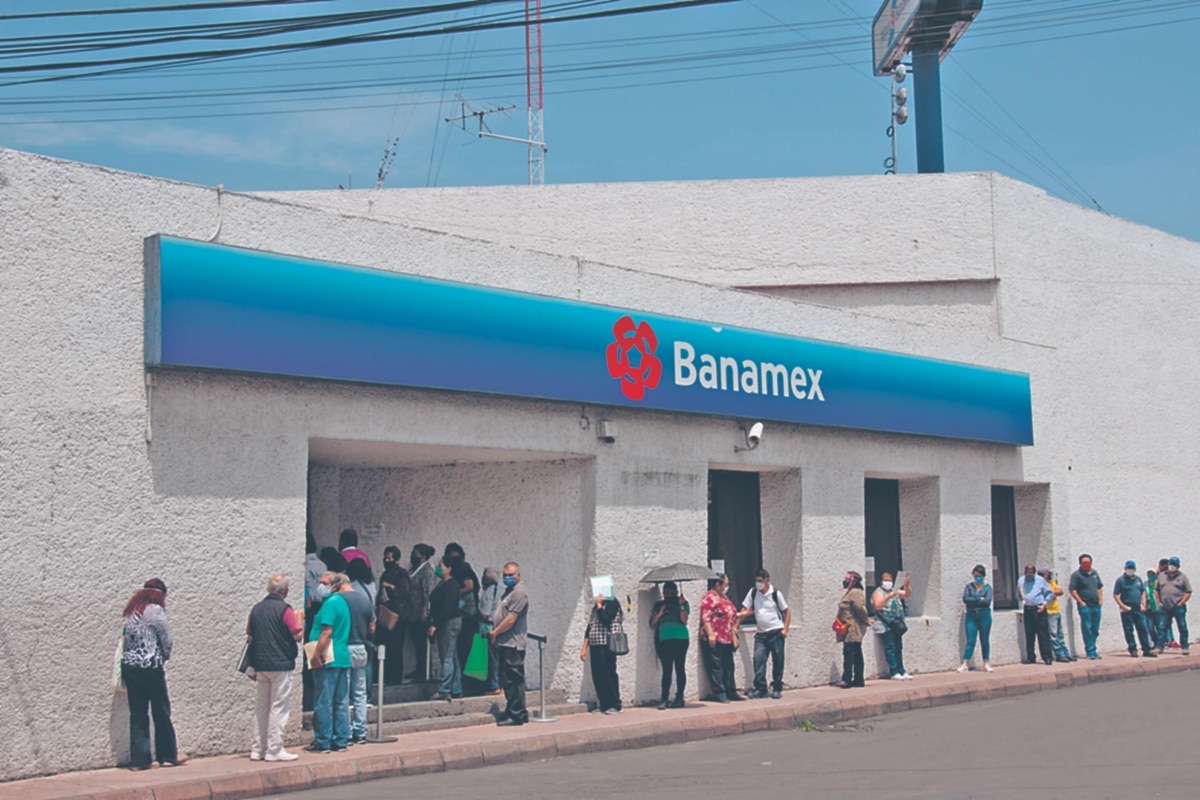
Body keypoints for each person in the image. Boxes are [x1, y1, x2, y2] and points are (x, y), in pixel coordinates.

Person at [120, 578, 186, 770]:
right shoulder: (156, 611)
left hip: (130, 667)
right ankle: (167, 754)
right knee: (161, 710)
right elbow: (166, 640)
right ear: (160, 594)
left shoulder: (132, 611)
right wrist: (164, 657)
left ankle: (140, 761)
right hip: (150, 666)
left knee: (138, 713)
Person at [246, 574, 304, 762]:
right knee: (279, 707)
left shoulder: (256, 609)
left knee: (262, 706)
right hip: (280, 663)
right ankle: (274, 749)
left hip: (261, 663)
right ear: (285, 591)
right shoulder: (285, 610)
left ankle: (257, 749)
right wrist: (300, 619)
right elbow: (297, 636)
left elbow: (249, 635)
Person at [307, 572, 351, 753]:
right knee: (340, 701)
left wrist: (316, 655)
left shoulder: (330, 605)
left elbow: (326, 632)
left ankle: (323, 740)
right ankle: (340, 739)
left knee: (324, 701)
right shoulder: (341, 602)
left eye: (324, 583)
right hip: (341, 656)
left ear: (334, 585)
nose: (320, 586)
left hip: (328, 657)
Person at [738, 568, 790, 699]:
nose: (758, 584)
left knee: (778, 660)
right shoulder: (753, 592)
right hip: (761, 634)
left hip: (776, 632)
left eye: (760, 581)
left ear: (767, 581)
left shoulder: (775, 594)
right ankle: (761, 688)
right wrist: (737, 623)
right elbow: (745, 608)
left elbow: (787, 611)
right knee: (758, 659)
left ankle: (777, 687)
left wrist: (785, 629)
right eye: (756, 581)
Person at [490, 561, 530, 726]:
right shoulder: (508, 592)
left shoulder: (519, 593)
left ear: (518, 575)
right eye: (505, 575)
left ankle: (516, 715)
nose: (507, 578)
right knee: (508, 679)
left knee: (513, 680)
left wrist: (495, 632)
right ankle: (517, 711)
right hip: (505, 642)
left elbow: (511, 619)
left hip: (513, 643)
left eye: (511, 575)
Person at [341, 564, 376, 743]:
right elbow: (372, 625)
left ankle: (346, 731)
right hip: (361, 646)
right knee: (360, 692)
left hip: (344, 647)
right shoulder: (364, 600)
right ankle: (360, 730)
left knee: (344, 692)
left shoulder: (339, 600)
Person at [699, 573, 744, 702]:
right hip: (715, 637)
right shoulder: (709, 598)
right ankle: (719, 692)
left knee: (728, 665)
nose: (727, 587)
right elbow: (706, 617)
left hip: (727, 636)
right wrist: (710, 634)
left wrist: (742, 614)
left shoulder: (723, 597)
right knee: (716, 666)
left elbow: (730, 613)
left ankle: (731, 690)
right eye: (725, 584)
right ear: (717, 584)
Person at [444, 543, 482, 694]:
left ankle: (469, 686)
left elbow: (469, 586)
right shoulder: (459, 569)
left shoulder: (464, 569)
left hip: (468, 617)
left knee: (466, 651)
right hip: (464, 616)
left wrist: (453, 594)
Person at [581, 592, 625, 714]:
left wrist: (600, 606)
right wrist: (584, 648)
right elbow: (590, 627)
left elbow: (606, 619)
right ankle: (604, 704)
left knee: (608, 673)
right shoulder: (595, 607)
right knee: (598, 674)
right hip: (595, 644)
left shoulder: (612, 603)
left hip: (607, 643)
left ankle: (615, 704)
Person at [649, 581, 690, 709]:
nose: (670, 595)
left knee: (680, 668)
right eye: (667, 593)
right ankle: (664, 698)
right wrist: (660, 613)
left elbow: (684, 620)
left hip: (681, 638)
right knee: (667, 670)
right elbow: (652, 623)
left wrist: (682, 606)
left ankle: (679, 698)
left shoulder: (683, 603)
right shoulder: (659, 604)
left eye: (672, 593)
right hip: (665, 639)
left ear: (676, 592)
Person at [427, 558, 464, 700]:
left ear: (449, 568)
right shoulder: (443, 583)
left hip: (449, 622)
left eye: (441, 565)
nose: (438, 567)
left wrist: (435, 625)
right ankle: (456, 687)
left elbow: (447, 608)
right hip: (446, 622)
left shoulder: (451, 585)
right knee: (452, 655)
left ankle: (444, 689)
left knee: (446, 657)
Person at [377, 546, 411, 685]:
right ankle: (386, 676)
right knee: (386, 647)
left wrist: (390, 587)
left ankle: (395, 678)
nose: (386, 560)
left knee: (396, 648)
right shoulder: (385, 574)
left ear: (397, 560)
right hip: (385, 614)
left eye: (390, 558)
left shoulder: (401, 574)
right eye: (385, 558)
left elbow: (405, 591)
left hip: (398, 617)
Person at [406, 544, 438, 682]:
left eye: (415, 553)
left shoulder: (427, 571)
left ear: (423, 556)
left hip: (421, 611)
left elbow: (429, 592)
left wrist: (425, 609)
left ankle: (425, 671)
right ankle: (418, 668)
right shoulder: (412, 570)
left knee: (422, 642)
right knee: (416, 642)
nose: (412, 556)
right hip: (411, 611)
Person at [872, 571, 911, 680]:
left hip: (896, 624)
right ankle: (893, 671)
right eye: (886, 580)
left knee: (898, 647)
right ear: (881, 581)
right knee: (890, 647)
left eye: (890, 580)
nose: (888, 582)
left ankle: (901, 670)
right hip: (886, 624)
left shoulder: (895, 591)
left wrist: (907, 586)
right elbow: (878, 606)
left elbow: (907, 595)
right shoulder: (878, 592)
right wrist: (888, 597)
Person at [1113, 560, 1156, 658]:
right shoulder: (1120, 580)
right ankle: (1133, 649)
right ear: (1125, 569)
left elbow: (1142, 592)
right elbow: (1116, 594)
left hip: (1138, 608)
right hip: (1127, 608)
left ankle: (1147, 650)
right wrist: (1122, 605)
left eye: (1132, 568)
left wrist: (1143, 604)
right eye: (1128, 568)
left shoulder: (1138, 580)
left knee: (1143, 629)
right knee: (1128, 630)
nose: (1130, 570)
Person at [835, 571, 870, 688]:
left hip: (853, 627)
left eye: (846, 579)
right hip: (847, 627)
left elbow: (860, 608)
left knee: (850, 652)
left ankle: (847, 679)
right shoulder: (849, 593)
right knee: (855, 651)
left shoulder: (855, 592)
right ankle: (858, 679)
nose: (844, 581)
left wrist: (866, 620)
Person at [957, 564, 995, 673]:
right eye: (975, 575)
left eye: (979, 575)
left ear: (983, 575)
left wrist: (974, 599)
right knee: (971, 640)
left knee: (984, 639)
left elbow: (987, 601)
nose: (977, 578)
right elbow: (966, 599)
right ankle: (965, 663)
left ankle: (986, 662)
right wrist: (979, 598)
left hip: (984, 615)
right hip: (971, 615)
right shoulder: (969, 587)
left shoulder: (988, 587)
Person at [1069, 553, 1104, 660]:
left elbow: (1099, 587)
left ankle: (1093, 648)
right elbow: (1072, 590)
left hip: (1096, 605)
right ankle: (1090, 651)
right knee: (1087, 628)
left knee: (1095, 629)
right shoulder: (1076, 575)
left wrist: (1101, 599)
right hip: (1085, 606)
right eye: (1084, 562)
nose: (1087, 564)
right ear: (1080, 564)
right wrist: (1081, 602)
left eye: (1088, 562)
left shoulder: (1094, 573)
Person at [1018, 563, 1054, 665]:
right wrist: (1021, 601)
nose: (1029, 575)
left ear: (1034, 572)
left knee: (1043, 634)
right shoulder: (1021, 580)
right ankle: (1030, 657)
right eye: (1027, 572)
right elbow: (1018, 593)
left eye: (1031, 573)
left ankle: (1047, 657)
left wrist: (1044, 605)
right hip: (1028, 608)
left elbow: (1049, 593)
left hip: (1039, 608)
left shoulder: (1040, 580)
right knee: (1029, 634)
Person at [1155, 556, 1191, 656]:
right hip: (1165, 607)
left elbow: (1188, 591)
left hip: (1178, 606)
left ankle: (1184, 647)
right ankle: (1159, 646)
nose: (1172, 566)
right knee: (1162, 627)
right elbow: (1156, 590)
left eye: (1174, 565)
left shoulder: (1182, 577)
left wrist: (1182, 602)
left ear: (1178, 566)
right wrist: (1159, 602)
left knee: (1182, 626)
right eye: (1171, 564)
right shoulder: (1162, 576)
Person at [477, 567, 503, 695]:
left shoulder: (489, 592)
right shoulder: (502, 591)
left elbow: (485, 614)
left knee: (492, 659)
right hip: (501, 629)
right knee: (500, 658)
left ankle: (494, 686)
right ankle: (501, 685)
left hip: (489, 629)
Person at [1040, 567, 1074, 663]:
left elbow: (1060, 591)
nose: (1050, 575)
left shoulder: (1051, 583)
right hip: (1049, 612)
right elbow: (1045, 594)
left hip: (1056, 611)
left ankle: (1065, 653)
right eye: (1048, 573)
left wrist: (1052, 592)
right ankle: (1059, 654)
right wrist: (1052, 593)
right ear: (1044, 575)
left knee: (1060, 634)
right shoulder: (1042, 584)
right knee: (1053, 634)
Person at [1154, 559, 1179, 649]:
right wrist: (1159, 602)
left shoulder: (1169, 576)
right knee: (1161, 624)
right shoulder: (1157, 577)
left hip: (1168, 604)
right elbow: (1156, 591)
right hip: (1159, 604)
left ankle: (1169, 640)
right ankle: (1163, 642)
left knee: (1166, 623)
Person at [1145, 568, 1162, 651]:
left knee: (1160, 627)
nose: (1150, 575)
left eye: (1152, 573)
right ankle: (1155, 641)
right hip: (1149, 609)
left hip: (1158, 608)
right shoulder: (1145, 584)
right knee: (1150, 627)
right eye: (1149, 573)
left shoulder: (1159, 584)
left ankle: (1160, 644)